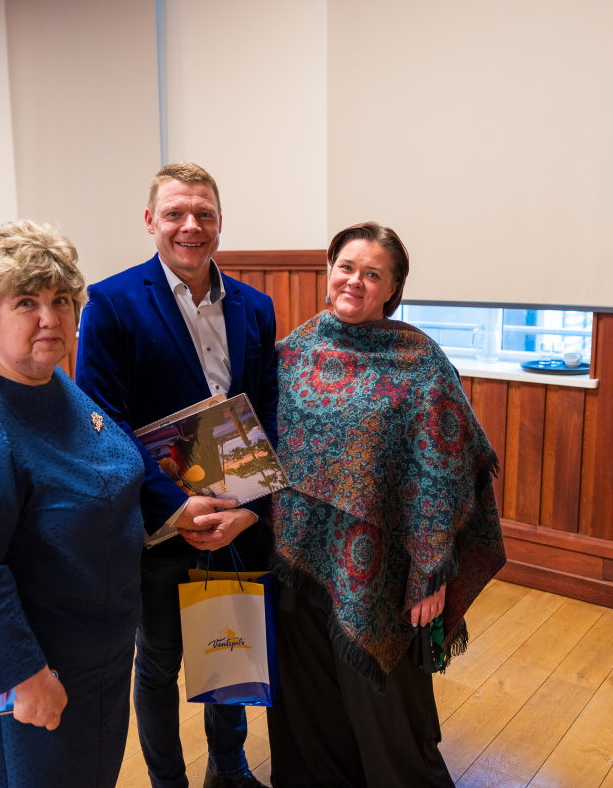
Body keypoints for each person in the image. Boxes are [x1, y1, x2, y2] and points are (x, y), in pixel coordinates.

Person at [267, 222, 506, 788]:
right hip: (296, 554)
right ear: (330, 270)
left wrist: (431, 571)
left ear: (393, 289)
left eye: (372, 274)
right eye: (346, 267)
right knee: (307, 708)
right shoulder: (292, 351)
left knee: (388, 717)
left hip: (382, 573)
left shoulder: (419, 362)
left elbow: (447, 470)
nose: (355, 281)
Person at [0, 221, 145, 787]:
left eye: (61, 300)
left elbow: (102, 484)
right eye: (26, 303)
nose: (50, 318)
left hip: (92, 655)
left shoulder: (52, 384)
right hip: (27, 671)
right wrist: (23, 675)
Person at [76, 162, 278, 788]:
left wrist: (250, 509)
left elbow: (269, 410)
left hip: (236, 518)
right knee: (159, 663)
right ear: (150, 221)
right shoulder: (111, 302)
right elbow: (100, 419)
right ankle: (169, 781)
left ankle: (228, 767)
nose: (190, 225)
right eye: (175, 213)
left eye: (204, 214)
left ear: (219, 222)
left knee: (230, 648)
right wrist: (174, 507)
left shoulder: (256, 306)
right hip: (161, 522)